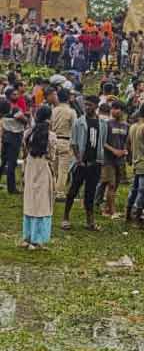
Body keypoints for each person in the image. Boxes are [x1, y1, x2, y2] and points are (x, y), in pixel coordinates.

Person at [62, 95, 107, 231]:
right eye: (85, 105)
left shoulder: (102, 124)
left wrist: (100, 159)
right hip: (82, 163)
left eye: (90, 105)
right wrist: (79, 159)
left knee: (90, 192)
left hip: (95, 163)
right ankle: (65, 217)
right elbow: (74, 142)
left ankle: (90, 221)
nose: (87, 107)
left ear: (96, 106)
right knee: (73, 190)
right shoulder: (79, 122)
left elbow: (102, 142)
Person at [22, 105, 55, 250]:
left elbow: (25, 150)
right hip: (43, 166)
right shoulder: (51, 136)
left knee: (30, 199)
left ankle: (27, 236)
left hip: (30, 165)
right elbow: (52, 156)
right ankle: (38, 239)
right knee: (42, 202)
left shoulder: (28, 133)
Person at [125, 102, 144, 222]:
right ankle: (137, 218)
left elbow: (127, 143)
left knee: (134, 190)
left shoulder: (133, 127)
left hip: (136, 162)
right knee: (142, 192)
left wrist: (131, 157)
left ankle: (127, 214)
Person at [101, 100, 129, 218]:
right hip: (108, 159)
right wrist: (114, 151)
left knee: (116, 184)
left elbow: (126, 142)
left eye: (116, 108)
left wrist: (125, 151)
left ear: (122, 111)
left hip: (120, 160)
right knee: (111, 184)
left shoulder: (126, 126)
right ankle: (112, 211)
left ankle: (107, 208)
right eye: (112, 108)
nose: (113, 110)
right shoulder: (107, 124)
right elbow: (102, 142)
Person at [1, 90, 28, 194]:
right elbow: (22, 119)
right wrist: (25, 119)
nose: (17, 95)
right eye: (14, 94)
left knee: (3, 162)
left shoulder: (3, 106)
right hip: (14, 137)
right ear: (9, 96)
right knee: (12, 163)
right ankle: (11, 188)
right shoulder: (14, 108)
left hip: (6, 136)